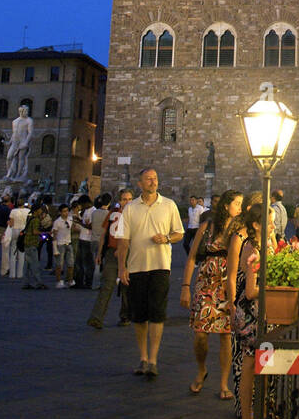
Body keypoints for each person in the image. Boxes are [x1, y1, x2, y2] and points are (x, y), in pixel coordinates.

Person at [115, 168, 184, 379]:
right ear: (140, 183)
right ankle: (142, 357)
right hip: (136, 267)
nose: (153, 182)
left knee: (157, 314)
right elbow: (123, 240)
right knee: (139, 316)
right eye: (148, 179)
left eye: (155, 178)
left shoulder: (169, 205)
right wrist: (122, 267)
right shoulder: (130, 208)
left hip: (161, 266)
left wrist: (166, 238)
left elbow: (179, 233)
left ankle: (153, 359)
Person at [181, 189, 243, 398]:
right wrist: (185, 287)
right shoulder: (208, 226)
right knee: (200, 333)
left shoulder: (240, 229)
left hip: (228, 284)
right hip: (207, 282)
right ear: (226, 206)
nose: (240, 208)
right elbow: (191, 257)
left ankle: (224, 384)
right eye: (237, 204)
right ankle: (201, 369)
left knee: (226, 335)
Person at [226, 200, 273, 419]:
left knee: (264, 367)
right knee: (250, 367)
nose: (274, 226)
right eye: (270, 221)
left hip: (261, 314)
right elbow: (251, 291)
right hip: (252, 315)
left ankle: (260, 417)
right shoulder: (252, 249)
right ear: (256, 224)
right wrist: (274, 285)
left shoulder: (262, 244)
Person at [88, 189, 132, 328]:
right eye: (124, 199)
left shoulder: (136, 215)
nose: (127, 202)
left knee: (127, 286)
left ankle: (125, 316)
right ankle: (97, 317)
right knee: (107, 285)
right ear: (119, 201)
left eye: (130, 199)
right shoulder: (113, 214)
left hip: (129, 254)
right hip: (112, 253)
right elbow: (104, 234)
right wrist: (100, 253)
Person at [20, 199, 50, 289]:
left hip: (26, 243)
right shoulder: (36, 220)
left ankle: (26, 283)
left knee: (27, 265)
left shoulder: (30, 218)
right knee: (35, 264)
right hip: (32, 244)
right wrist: (44, 233)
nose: (41, 211)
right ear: (37, 210)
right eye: (40, 209)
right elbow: (35, 231)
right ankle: (39, 283)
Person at [51, 205, 73, 288]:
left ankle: (70, 280)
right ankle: (59, 280)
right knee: (59, 264)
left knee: (70, 263)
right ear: (60, 212)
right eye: (64, 211)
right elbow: (54, 235)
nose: (66, 213)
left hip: (69, 242)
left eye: (67, 211)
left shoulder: (70, 219)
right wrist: (55, 248)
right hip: (60, 244)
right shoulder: (57, 222)